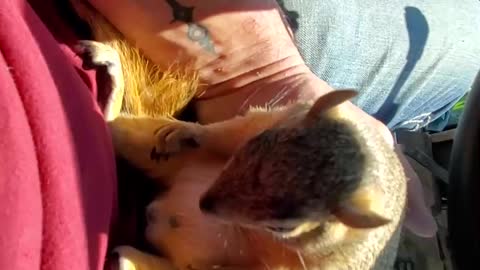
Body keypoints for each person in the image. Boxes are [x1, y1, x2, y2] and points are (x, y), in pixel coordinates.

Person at [0, 0, 478, 270]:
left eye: (281, 224)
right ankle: (435, 118)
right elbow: (214, 139)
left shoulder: (325, 257)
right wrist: (258, 78)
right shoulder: (289, 121)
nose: (216, 199)